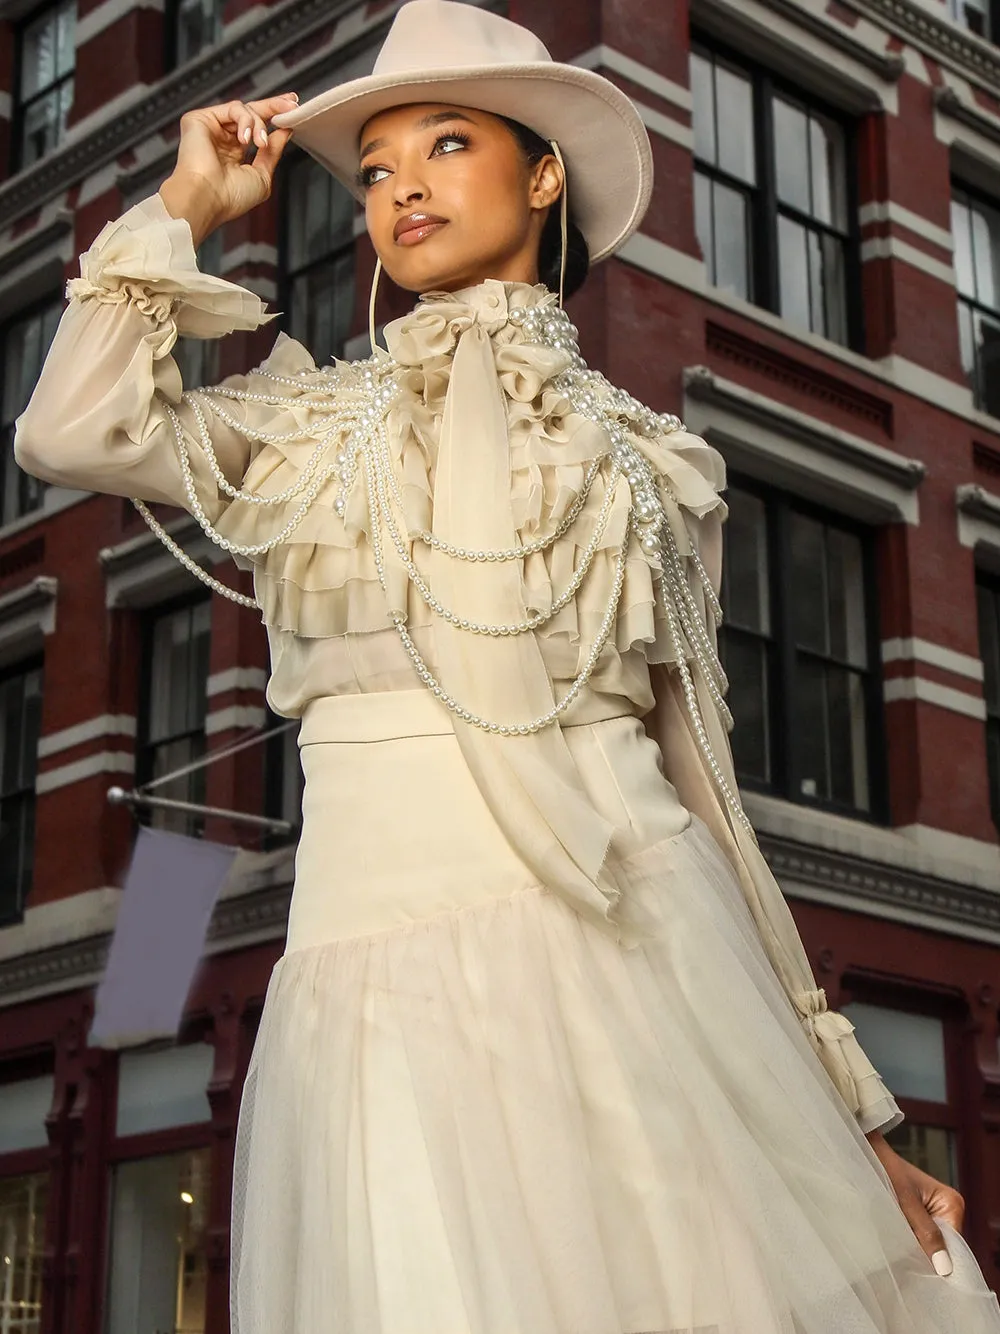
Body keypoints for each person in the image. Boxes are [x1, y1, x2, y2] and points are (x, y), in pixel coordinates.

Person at [14, 3, 1000, 1331]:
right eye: (371, 168)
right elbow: (69, 429)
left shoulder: (648, 464)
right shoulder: (303, 424)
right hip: (374, 981)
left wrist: (839, 1120)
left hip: (627, 957)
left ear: (544, 173)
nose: (402, 184)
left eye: (447, 141)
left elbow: (701, 787)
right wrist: (185, 201)